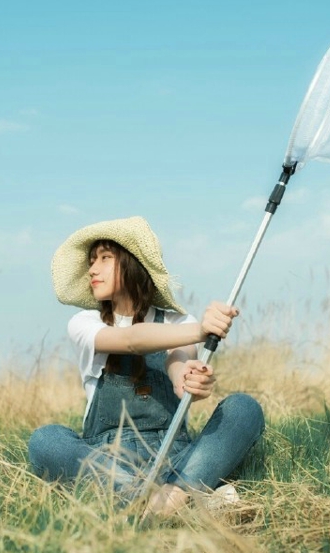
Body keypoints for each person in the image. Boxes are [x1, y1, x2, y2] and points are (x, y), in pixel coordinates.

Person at [28, 216, 265, 517]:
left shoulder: (177, 323)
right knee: (45, 440)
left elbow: (178, 367)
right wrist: (201, 331)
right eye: (91, 261)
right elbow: (130, 340)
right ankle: (182, 498)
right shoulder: (84, 324)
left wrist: (191, 381)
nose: (92, 269)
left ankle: (170, 495)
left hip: (174, 455)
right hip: (110, 460)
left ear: (131, 264)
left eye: (104, 258)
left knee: (243, 408)